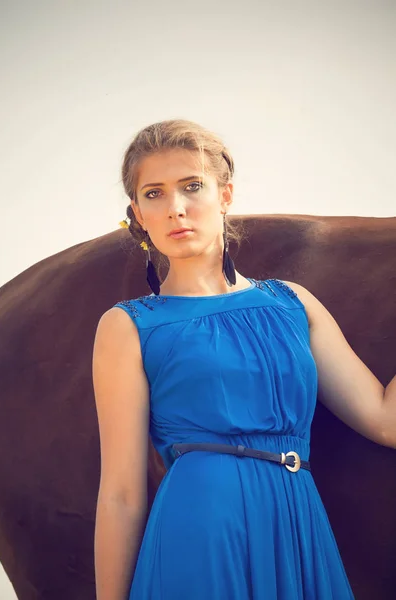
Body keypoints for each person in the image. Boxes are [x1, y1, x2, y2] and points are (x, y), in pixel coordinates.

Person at [92, 119, 393, 599]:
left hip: (296, 524)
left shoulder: (293, 303)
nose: (176, 208)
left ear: (225, 195)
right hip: (199, 533)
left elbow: (385, 419)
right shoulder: (127, 326)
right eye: (154, 194)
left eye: (192, 186)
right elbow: (122, 495)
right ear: (137, 213)